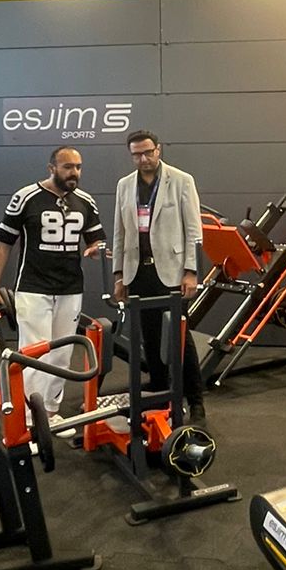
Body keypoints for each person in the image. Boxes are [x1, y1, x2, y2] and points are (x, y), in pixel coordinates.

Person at [0, 146, 106, 416]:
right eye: (68, 167)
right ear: (52, 168)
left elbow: (95, 241)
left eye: (78, 167)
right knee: (34, 353)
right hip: (33, 287)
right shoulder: (26, 197)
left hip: (70, 288)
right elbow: (3, 245)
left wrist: (96, 249)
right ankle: (30, 418)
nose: (74, 172)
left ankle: (49, 413)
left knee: (62, 355)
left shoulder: (85, 201)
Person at [112, 128, 208, 422]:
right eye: (136, 155)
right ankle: (158, 390)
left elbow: (194, 231)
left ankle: (196, 401)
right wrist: (119, 274)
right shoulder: (124, 185)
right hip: (138, 272)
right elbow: (119, 232)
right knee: (149, 336)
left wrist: (191, 271)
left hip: (171, 272)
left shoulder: (181, 180)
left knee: (179, 337)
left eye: (147, 152)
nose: (143, 159)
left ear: (158, 149)